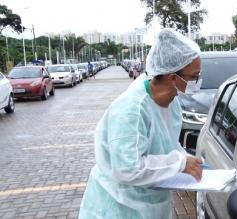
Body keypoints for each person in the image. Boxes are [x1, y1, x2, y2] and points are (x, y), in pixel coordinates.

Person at [79, 29, 203, 219]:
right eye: (194, 76)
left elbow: (167, 143)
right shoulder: (131, 110)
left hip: (151, 205)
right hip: (118, 207)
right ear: (172, 77)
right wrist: (180, 163)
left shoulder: (172, 103)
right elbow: (128, 168)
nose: (198, 81)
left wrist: (186, 158)